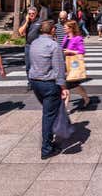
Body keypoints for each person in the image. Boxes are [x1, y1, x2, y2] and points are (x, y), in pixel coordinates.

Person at [28, 20, 70, 159]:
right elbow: (59, 69)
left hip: (35, 82)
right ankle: (46, 148)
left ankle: (53, 136)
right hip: (48, 84)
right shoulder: (54, 46)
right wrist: (63, 87)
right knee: (48, 115)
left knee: (51, 111)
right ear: (52, 30)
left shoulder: (34, 43)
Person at [62, 20, 90, 112]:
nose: (64, 29)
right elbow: (62, 48)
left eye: (65, 27)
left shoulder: (78, 38)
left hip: (73, 65)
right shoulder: (65, 37)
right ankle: (86, 99)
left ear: (71, 28)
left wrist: (70, 51)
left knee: (67, 86)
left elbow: (82, 51)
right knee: (75, 85)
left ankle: (64, 108)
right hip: (65, 64)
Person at [19, 7, 42, 91]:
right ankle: (30, 83)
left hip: (38, 47)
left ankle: (38, 82)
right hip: (28, 46)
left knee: (38, 65)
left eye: (33, 13)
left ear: (36, 14)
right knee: (28, 65)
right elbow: (21, 32)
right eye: (29, 14)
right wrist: (27, 22)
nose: (31, 15)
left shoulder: (40, 22)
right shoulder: (26, 22)